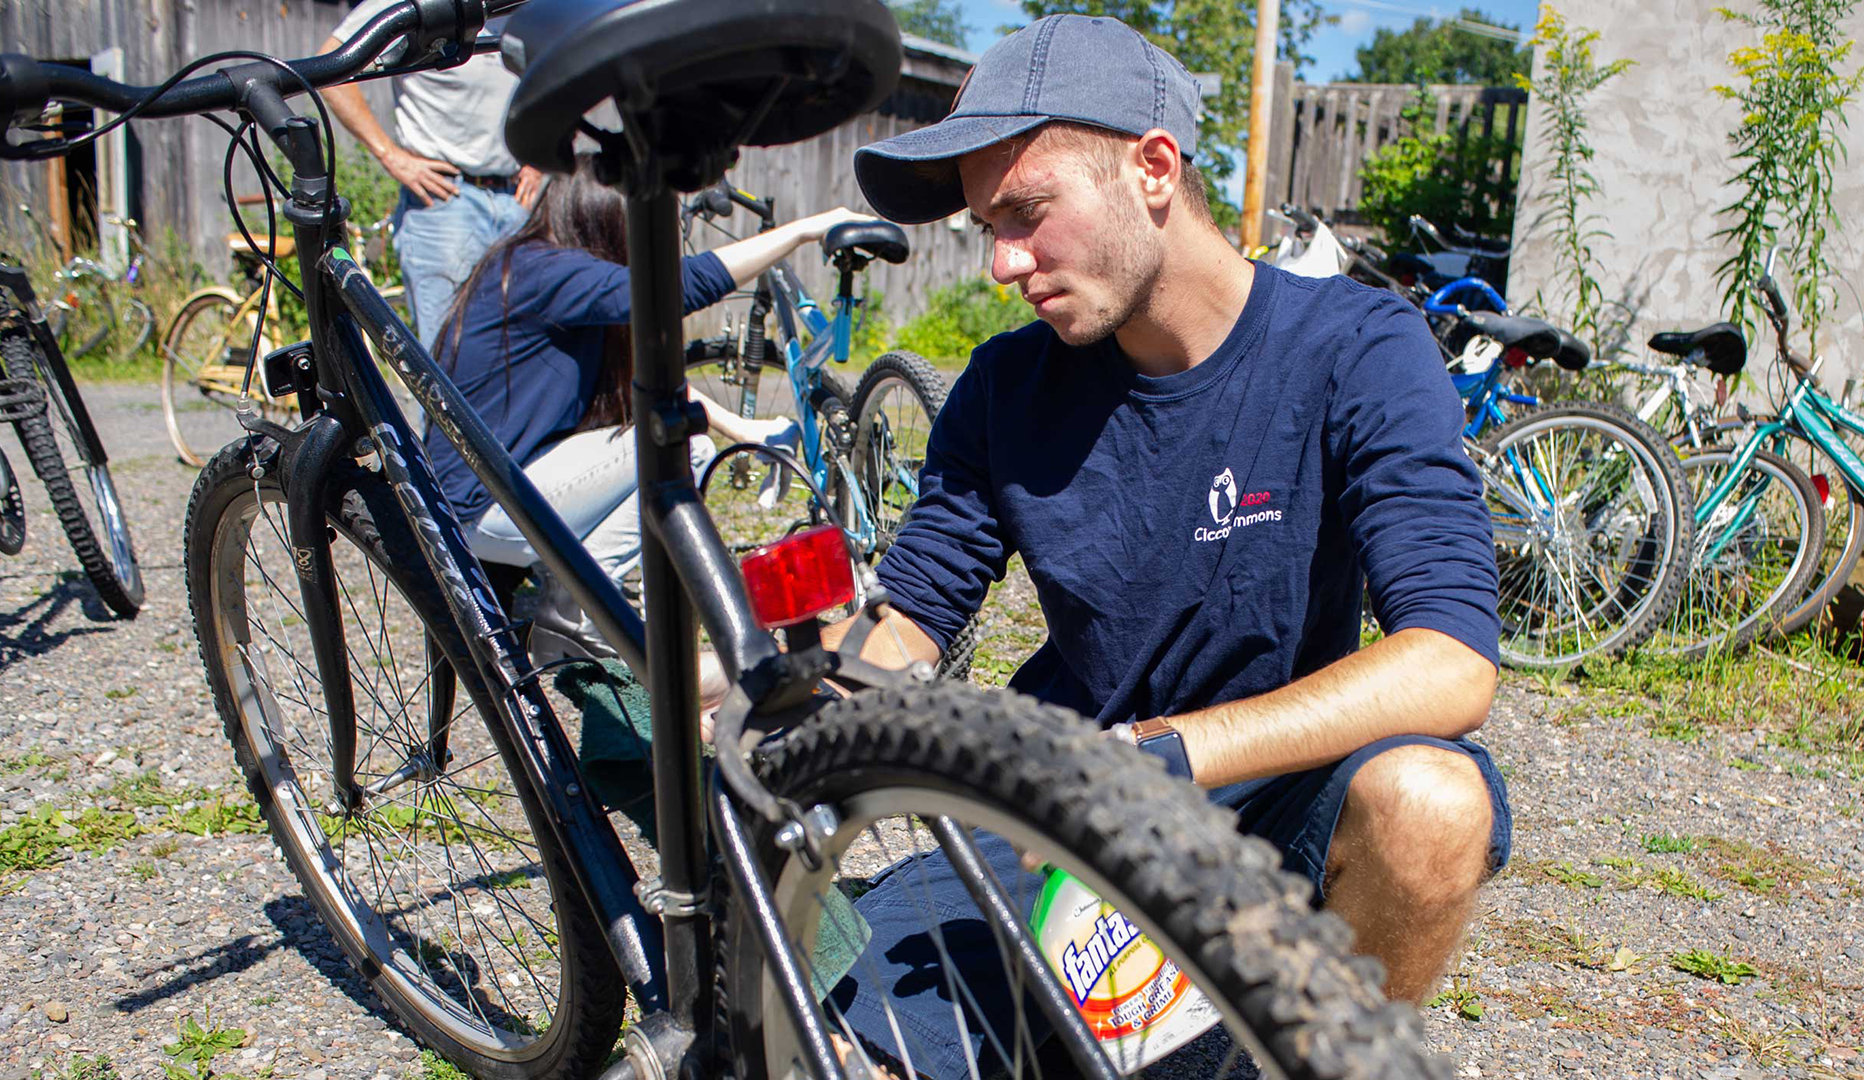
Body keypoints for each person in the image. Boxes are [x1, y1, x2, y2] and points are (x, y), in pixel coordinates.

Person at [824, 14, 1510, 1077]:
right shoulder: (1006, 390)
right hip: (1054, 806)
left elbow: (1453, 659)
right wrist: (807, 698)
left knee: (1431, 800)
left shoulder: (1355, 349)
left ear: (1152, 167)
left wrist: (1167, 754)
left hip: (1272, 795)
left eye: (1027, 213)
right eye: (986, 227)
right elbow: (914, 613)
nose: (1005, 262)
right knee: (815, 1031)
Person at [426, 170, 864, 621]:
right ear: (614, 221)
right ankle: (582, 612)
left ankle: (574, 608)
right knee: (686, 448)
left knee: (674, 438)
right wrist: (804, 230)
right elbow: (673, 291)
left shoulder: (536, 268)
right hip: (479, 509)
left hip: (486, 495)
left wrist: (743, 430)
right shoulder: (543, 270)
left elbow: (644, 382)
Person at [318, 0, 541, 354]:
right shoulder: (414, 3)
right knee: (448, 367)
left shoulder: (520, 9)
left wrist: (540, 157)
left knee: (523, 359)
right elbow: (333, 68)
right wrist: (391, 156)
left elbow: (550, 73)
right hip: (444, 205)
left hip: (517, 202)